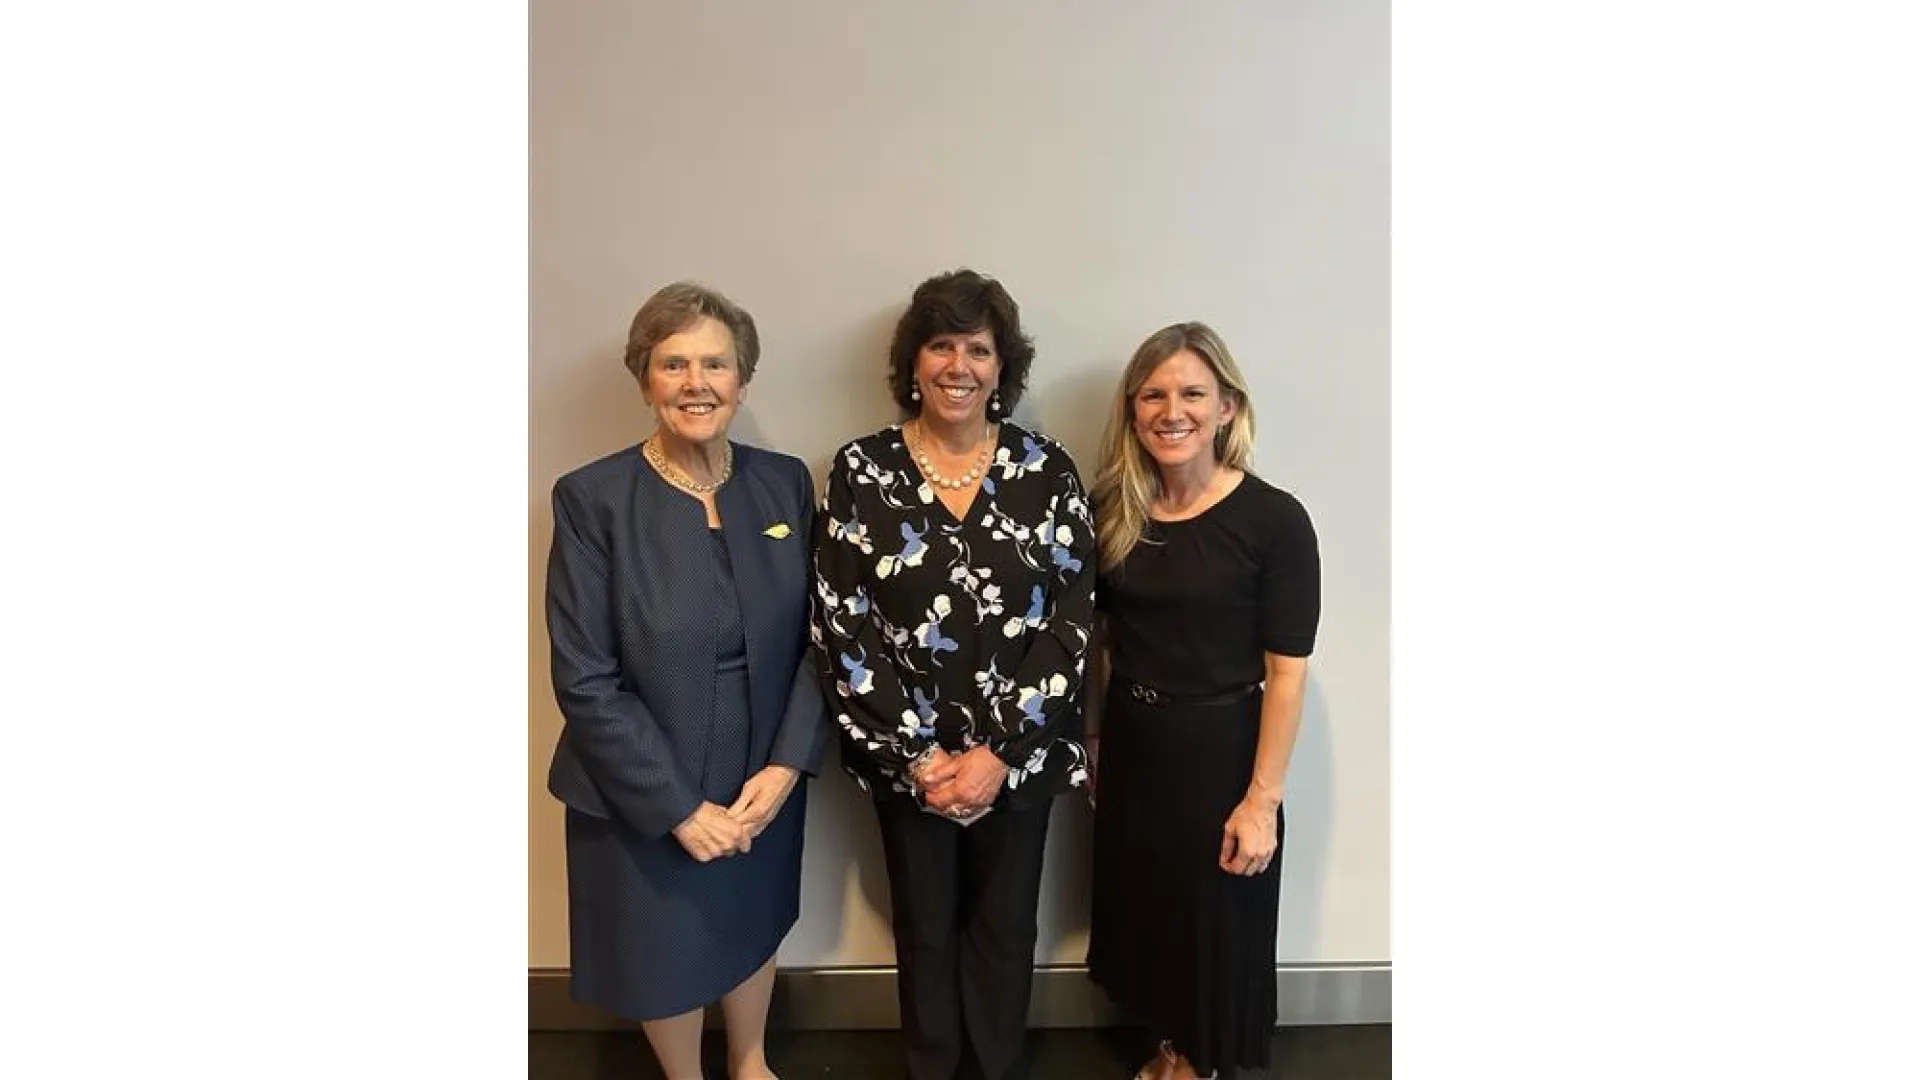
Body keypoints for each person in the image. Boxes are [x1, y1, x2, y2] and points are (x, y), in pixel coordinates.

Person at [811, 269, 1095, 1080]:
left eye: (979, 347)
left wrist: (1000, 751)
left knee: (1007, 931)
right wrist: (921, 756)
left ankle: (997, 1069)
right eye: (942, 345)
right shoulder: (863, 471)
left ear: (1004, 366)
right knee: (925, 928)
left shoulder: (1048, 470)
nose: (959, 365)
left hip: (1020, 760)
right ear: (913, 360)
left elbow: (1071, 616)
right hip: (913, 766)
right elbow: (842, 620)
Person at [544, 281, 828, 1080]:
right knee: (661, 941)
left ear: (742, 380)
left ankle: (750, 1061)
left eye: (716, 363)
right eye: (674, 364)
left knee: (751, 916)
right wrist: (675, 807)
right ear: (645, 380)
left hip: (761, 765)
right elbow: (586, 678)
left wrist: (787, 765)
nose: (697, 382)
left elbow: (822, 636)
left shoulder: (784, 485)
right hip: (641, 772)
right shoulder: (593, 499)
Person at [1083, 322, 1322, 1080]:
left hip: (1224, 751)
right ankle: (1173, 1046)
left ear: (1226, 407)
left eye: (1192, 392)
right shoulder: (1113, 511)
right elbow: (1100, 644)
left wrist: (1262, 801)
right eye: (1153, 394)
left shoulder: (1274, 521)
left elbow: (1288, 672)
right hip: (1137, 742)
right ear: (1132, 409)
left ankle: (1200, 1062)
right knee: (1153, 917)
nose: (1171, 410)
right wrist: (1093, 742)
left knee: (1217, 923)